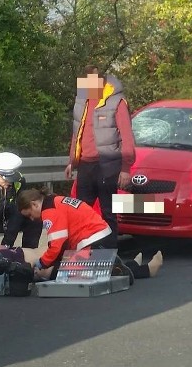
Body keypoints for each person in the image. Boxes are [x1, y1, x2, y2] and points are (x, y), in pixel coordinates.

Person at [16, 188, 163, 282]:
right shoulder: (56, 200)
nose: (32, 219)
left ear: (34, 204)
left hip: (92, 239)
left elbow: (57, 245)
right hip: (97, 236)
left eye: (29, 214)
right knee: (64, 267)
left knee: (67, 273)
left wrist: (43, 262)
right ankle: (133, 264)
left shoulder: (49, 211)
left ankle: (144, 270)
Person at [64, 64, 136, 248]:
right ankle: (83, 252)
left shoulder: (116, 101)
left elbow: (127, 136)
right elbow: (77, 132)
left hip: (107, 165)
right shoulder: (82, 101)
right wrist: (72, 161)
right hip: (85, 166)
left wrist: (126, 169)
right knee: (81, 212)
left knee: (108, 212)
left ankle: (110, 253)